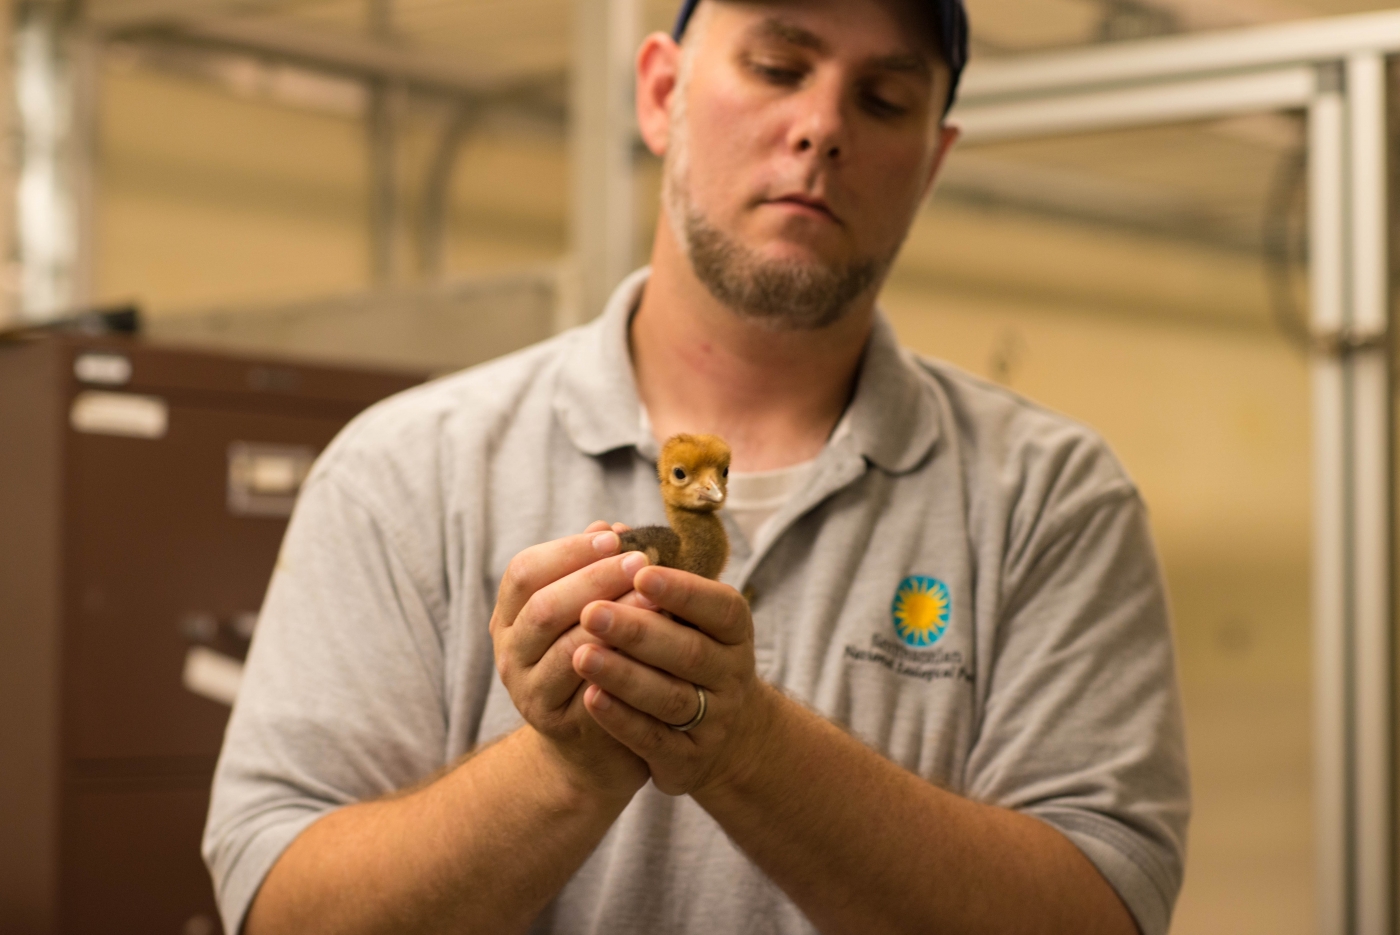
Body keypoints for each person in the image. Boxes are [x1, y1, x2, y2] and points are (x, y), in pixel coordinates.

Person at [203, 1, 1190, 933]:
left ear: (930, 161)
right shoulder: (404, 472)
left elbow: (1098, 905)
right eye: (775, 65)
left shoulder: (1047, 498)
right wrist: (564, 770)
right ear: (659, 92)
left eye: (882, 98)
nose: (820, 126)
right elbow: (280, 901)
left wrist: (752, 747)